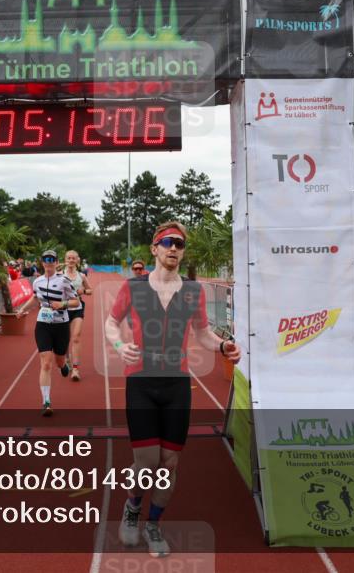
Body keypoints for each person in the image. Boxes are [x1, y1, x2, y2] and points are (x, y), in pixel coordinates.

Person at [104, 221, 240, 557]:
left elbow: (203, 333)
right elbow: (110, 323)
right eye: (167, 243)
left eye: (179, 244)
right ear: (154, 249)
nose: (174, 249)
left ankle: (153, 524)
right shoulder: (133, 287)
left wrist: (222, 346)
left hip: (177, 384)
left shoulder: (194, 291)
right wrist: (120, 346)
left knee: (169, 464)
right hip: (141, 381)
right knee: (147, 461)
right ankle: (132, 507)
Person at [25, 250, 78, 416]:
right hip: (43, 325)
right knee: (46, 362)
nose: (49, 262)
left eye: (52, 259)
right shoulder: (37, 281)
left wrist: (62, 305)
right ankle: (46, 402)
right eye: (46, 259)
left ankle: (64, 365)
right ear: (42, 262)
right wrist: (21, 310)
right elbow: (35, 298)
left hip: (61, 326)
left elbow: (76, 302)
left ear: (56, 262)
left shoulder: (64, 281)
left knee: (59, 360)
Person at [63, 250, 92, 381]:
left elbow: (90, 290)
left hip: (77, 308)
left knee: (76, 337)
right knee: (64, 339)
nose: (71, 260)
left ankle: (75, 369)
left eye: (73, 258)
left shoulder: (82, 276)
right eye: (69, 258)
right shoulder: (59, 275)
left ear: (77, 260)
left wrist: (84, 290)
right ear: (65, 260)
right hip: (63, 309)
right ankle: (67, 359)